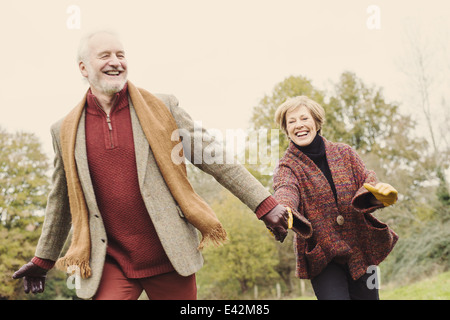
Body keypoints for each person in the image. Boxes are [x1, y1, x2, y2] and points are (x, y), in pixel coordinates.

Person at [12, 30, 290, 300]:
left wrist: (264, 204)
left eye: (121, 54)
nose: (116, 61)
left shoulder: (163, 107)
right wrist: (43, 258)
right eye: (105, 55)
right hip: (111, 260)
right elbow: (60, 201)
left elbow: (213, 157)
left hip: (168, 255)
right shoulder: (64, 130)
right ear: (83, 67)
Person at [272, 95, 399, 300]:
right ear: (286, 130)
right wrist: (283, 209)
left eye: (304, 118)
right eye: (291, 121)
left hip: (361, 248)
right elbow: (285, 189)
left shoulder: (345, 153)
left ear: (316, 122)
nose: (299, 125)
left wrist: (377, 197)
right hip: (323, 256)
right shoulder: (287, 166)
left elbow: (365, 185)